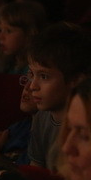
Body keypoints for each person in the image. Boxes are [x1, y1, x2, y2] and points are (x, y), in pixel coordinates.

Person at [26, 23, 91, 171]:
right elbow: (36, 172)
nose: (32, 86)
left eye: (44, 76)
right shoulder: (41, 118)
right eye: (31, 74)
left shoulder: (86, 123)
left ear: (76, 80)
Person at [0, 0, 46, 74]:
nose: (0, 36)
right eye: (0, 30)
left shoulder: (33, 70)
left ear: (29, 34)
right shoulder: (11, 64)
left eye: (8, 31)